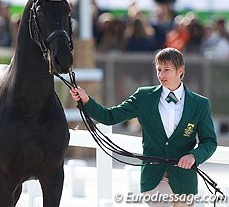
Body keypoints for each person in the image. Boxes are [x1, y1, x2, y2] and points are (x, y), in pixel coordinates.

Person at [70, 47, 217, 207]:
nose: (161, 75)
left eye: (166, 70)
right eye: (159, 70)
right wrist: (86, 101)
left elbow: (209, 141)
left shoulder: (200, 104)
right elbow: (109, 117)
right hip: (154, 176)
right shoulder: (143, 97)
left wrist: (193, 156)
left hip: (184, 179)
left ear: (180, 71)